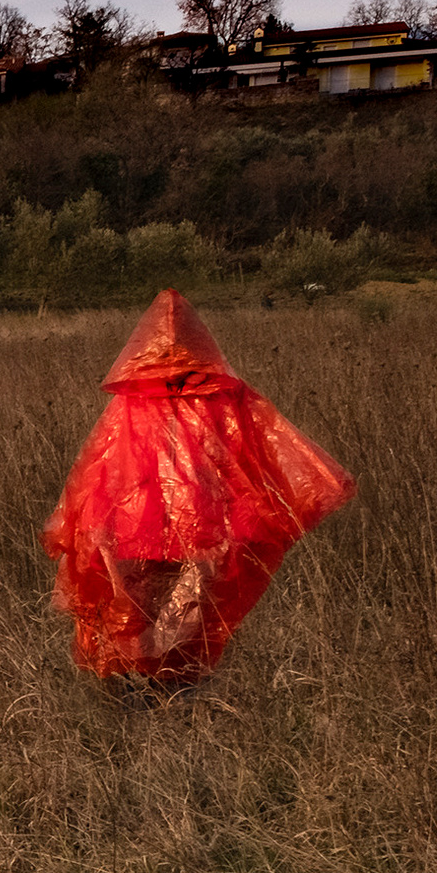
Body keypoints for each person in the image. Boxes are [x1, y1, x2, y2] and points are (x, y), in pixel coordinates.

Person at [43, 289, 355, 688]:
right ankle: (160, 681)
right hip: (187, 527)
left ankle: (156, 682)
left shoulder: (149, 399)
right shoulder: (171, 398)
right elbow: (103, 466)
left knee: (160, 607)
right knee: (168, 608)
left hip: (150, 527)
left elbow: (97, 470)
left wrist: (84, 522)